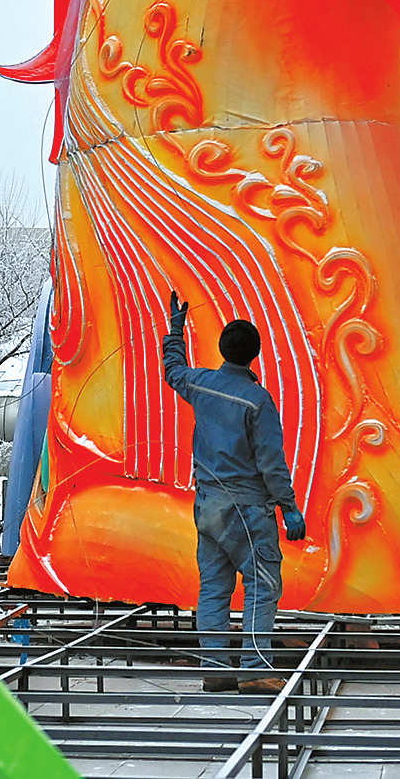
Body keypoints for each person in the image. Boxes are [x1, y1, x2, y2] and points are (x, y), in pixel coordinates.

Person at [162, 290, 306, 695]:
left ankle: (215, 669)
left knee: (213, 588)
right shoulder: (258, 401)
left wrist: (175, 330)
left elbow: (173, 369)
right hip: (247, 511)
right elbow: (271, 463)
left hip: (208, 507)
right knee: (262, 585)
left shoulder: (202, 384)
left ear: (222, 349)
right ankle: (255, 669)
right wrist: (289, 508)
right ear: (255, 355)